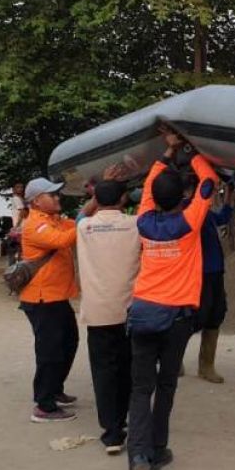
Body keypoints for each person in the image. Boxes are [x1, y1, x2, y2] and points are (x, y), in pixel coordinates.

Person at [126, 130, 217, 470]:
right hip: (177, 318)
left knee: (140, 389)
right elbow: (209, 180)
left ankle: (137, 456)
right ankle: (158, 449)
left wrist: (168, 151)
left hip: (144, 312)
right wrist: (192, 150)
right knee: (165, 386)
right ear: (182, 196)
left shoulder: (143, 221)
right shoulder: (189, 223)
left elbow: (149, 187)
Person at [76, 179, 140, 454]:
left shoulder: (84, 226)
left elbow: (82, 213)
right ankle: (125, 420)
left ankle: (112, 432)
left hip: (97, 312)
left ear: (96, 200)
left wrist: (95, 194)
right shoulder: (135, 225)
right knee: (127, 368)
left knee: (103, 372)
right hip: (128, 311)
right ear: (124, 199)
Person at [18, 177, 80, 423]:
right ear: (36, 201)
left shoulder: (53, 220)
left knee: (69, 342)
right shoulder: (35, 225)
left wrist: (96, 203)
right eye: (51, 195)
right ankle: (44, 405)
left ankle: (54, 389)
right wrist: (86, 222)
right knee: (49, 350)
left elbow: (74, 224)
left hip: (57, 296)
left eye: (57, 194)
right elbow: (64, 239)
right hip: (42, 299)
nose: (57, 198)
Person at [196, 184, 235, 383]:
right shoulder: (189, 211)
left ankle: (206, 365)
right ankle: (172, 358)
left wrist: (229, 195)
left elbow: (223, 217)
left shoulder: (207, 214)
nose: (213, 197)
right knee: (196, 317)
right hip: (199, 274)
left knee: (216, 313)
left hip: (215, 272)